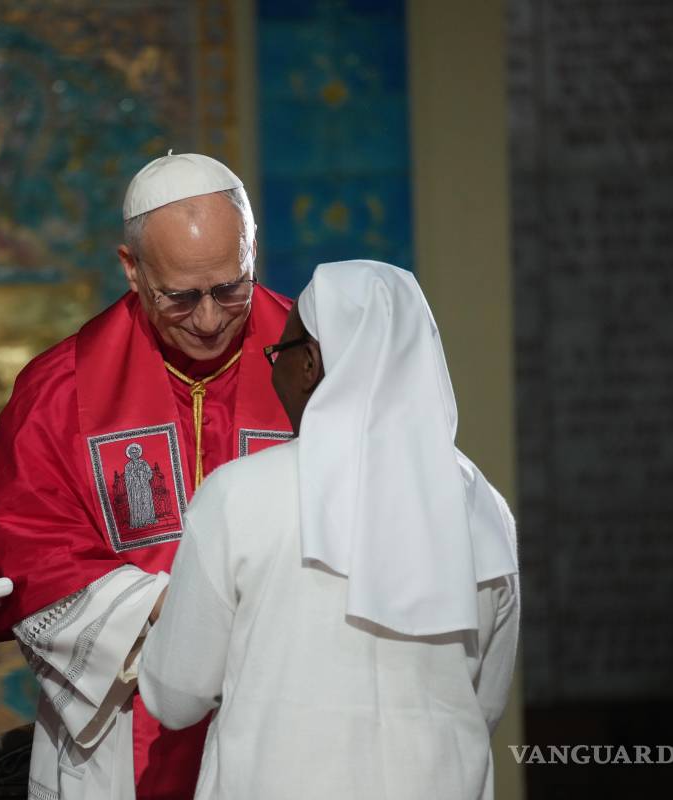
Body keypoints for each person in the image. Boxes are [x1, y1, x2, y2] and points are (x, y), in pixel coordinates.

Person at [0, 153, 293, 798]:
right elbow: (31, 553)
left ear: (253, 253)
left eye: (231, 288)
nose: (209, 319)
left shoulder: (314, 362)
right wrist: (181, 614)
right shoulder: (60, 390)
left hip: (289, 706)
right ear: (132, 268)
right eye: (180, 296)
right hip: (126, 726)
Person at [138, 260, 521, 799]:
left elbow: (175, 695)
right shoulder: (485, 511)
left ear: (311, 363)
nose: (275, 370)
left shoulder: (240, 495)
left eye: (281, 353)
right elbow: (484, 704)